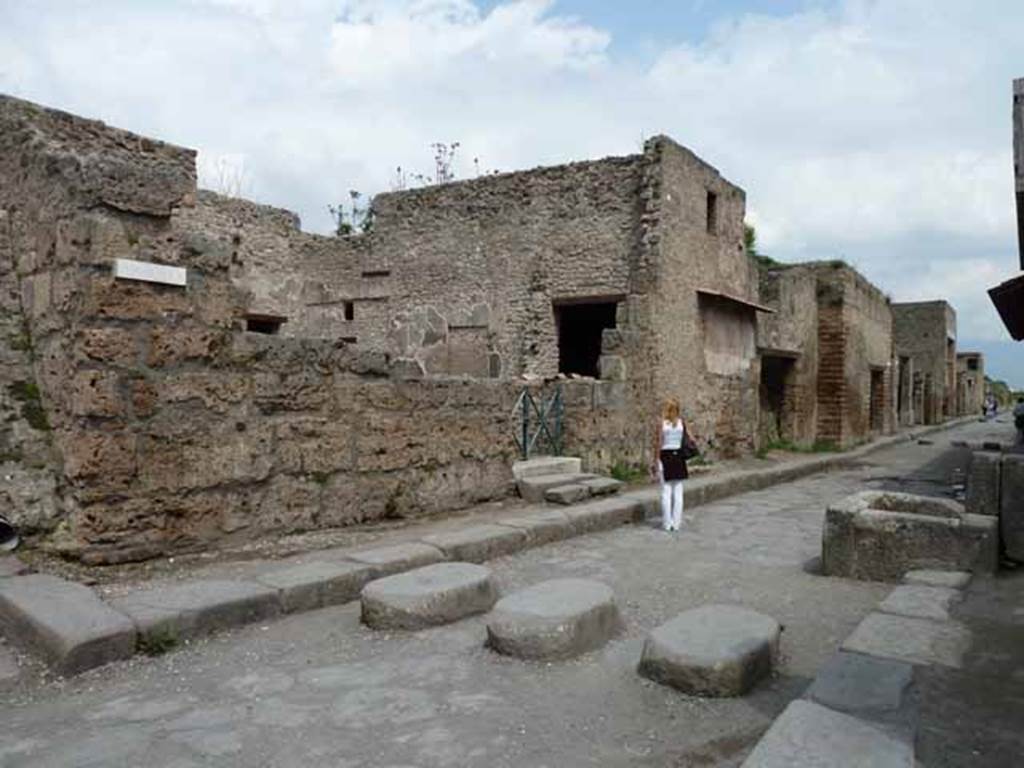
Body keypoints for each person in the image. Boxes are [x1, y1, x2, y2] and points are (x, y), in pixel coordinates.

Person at [651, 397, 693, 532]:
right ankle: (677, 522)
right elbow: (691, 438)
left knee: (666, 492)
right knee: (678, 492)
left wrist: (656, 460)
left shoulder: (662, 424)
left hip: (666, 456)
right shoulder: (682, 423)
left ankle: (667, 523)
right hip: (679, 457)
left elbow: (659, 443)